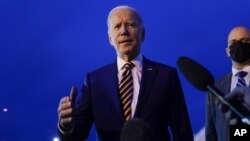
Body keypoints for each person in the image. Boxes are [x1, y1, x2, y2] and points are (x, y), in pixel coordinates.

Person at [57, 5, 193, 141]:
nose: (124, 31)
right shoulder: (94, 81)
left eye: (130, 24)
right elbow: (76, 135)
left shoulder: (166, 76)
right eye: (117, 26)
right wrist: (66, 126)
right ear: (110, 38)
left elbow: (183, 133)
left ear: (143, 33)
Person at [206, 26, 250, 141]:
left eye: (245, 41)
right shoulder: (215, 87)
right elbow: (211, 132)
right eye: (233, 42)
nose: (239, 45)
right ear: (227, 51)